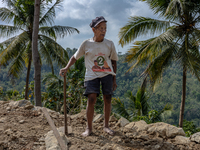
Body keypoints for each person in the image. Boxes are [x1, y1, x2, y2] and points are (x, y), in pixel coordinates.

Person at [59, 16, 118, 137]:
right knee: (91, 99)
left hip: (107, 74)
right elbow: (75, 57)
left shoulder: (109, 44)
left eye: (105, 28)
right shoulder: (86, 44)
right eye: (101, 28)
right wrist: (66, 67)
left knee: (107, 99)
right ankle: (89, 128)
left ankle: (106, 126)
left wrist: (114, 79)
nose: (103, 31)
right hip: (91, 75)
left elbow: (114, 62)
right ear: (94, 30)